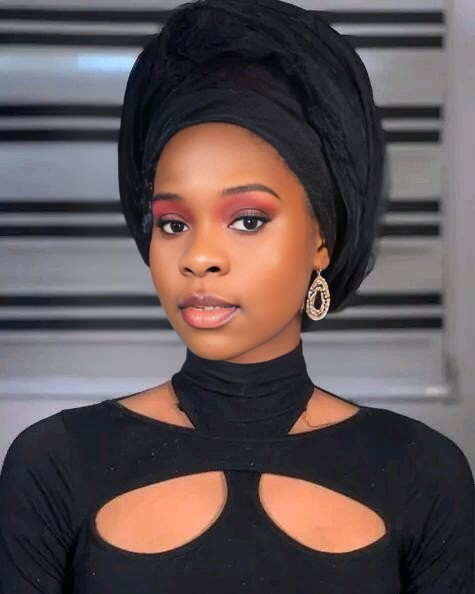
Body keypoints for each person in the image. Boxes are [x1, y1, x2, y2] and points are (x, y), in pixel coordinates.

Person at [0, 0, 473, 592]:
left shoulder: (422, 474)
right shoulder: (55, 464)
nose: (199, 257)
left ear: (321, 240)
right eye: (173, 223)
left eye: (248, 220)